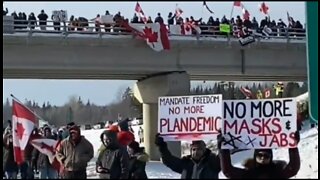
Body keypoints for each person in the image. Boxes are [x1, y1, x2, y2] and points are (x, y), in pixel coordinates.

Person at [218, 131, 301, 178]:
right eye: (260, 155)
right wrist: (223, 149)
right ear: (255, 156)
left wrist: (293, 146)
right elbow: (228, 171)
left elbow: (292, 169)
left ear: (271, 157)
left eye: (266, 156)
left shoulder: (277, 172)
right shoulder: (248, 174)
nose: (262, 158)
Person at [154, 134, 221, 179]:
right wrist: (162, 146)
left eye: (199, 149)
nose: (196, 152)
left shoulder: (212, 162)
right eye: (194, 149)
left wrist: (222, 146)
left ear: (204, 150)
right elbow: (169, 160)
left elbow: (223, 160)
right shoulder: (186, 163)